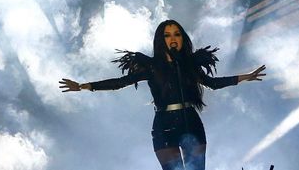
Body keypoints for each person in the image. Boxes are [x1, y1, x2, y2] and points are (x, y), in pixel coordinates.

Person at [59, 19, 266, 170]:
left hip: (191, 123)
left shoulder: (189, 64)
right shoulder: (151, 66)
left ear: (182, 38)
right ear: (161, 40)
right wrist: (84, 86)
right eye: (167, 35)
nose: (173, 38)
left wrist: (245, 76)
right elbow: (120, 82)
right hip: (164, 126)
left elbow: (212, 83)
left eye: (177, 34)